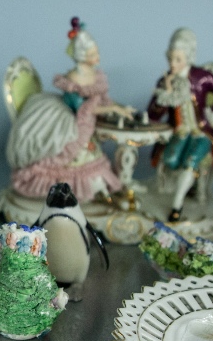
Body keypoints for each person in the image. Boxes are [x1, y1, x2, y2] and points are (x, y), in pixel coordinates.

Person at [8, 18, 131, 203]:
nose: (97, 57)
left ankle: (99, 188)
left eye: (96, 52)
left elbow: (102, 98)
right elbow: (82, 108)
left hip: (87, 119)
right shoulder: (74, 78)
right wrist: (112, 108)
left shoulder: (95, 75)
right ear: (82, 56)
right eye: (93, 53)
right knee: (69, 147)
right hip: (74, 117)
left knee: (92, 154)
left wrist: (116, 107)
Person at [146, 27, 213, 222]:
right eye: (170, 59)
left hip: (202, 132)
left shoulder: (201, 76)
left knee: (191, 163)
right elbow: (153, 115)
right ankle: (183, 190)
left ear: (188, 58)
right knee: (171, 160)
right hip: (179, 134)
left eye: (178, 60)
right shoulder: (165, 81)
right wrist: (165, 94)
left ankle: (177, 205)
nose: (173, 64)